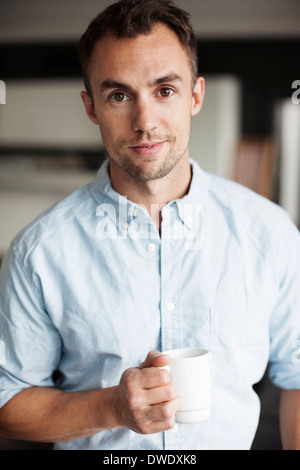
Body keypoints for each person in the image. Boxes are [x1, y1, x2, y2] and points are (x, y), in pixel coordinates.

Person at [0, 0, 300, 451]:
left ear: (195, 96)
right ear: (91, 107)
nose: (145, 123)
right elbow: (8, 402)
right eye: (119, 95)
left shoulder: (270, 234)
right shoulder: (38, 252)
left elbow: (297, 377)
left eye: (165, 90)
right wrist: (112, 409)